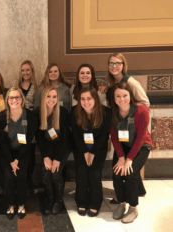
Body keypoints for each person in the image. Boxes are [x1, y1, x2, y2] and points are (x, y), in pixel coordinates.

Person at [104, 53, 149, 198]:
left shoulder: (131, 83)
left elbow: (145, 103)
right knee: (121, 168)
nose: (114, 66)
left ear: (123, 65)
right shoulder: (111, 83)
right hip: (120, 128)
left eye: (118, 63)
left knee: (130, 169)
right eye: (111, 63)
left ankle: (131, 197)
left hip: (133, 130)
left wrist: (129, 111)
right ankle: (139, 190)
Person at [110, 82, 152, 223]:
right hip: (123, 147)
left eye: (125, 95)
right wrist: (121, 157)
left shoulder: (142, 111)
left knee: (131, 173)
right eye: (118, 96)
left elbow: (140, 138)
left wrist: (129, 159)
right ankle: (121, 204)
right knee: (116, 173)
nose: (122, 99)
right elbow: (114, 138)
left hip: (141, 146)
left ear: (130, 96)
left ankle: (133, 208)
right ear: (114, 97)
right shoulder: (113, 112)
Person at [70, 87, 112, 217]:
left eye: (89, 98)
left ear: (95, 99)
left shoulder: (106, 112)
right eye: (82, 99)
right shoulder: (74, 111)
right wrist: (84, 151)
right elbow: (75, 134)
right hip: (80, 148)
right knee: (81, 174)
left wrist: (92, 152)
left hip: (98, 148)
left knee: (94, 175)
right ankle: (81, 201)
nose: (85, 102)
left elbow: (104, 134)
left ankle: (95, 203)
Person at [0, 87, 38, 219]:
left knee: (21, 175)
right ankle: (10, 204)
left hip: (23, 152)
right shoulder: (2, 116)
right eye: (11, 98)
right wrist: (11, 161)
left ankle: (21, 204)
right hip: (7, 154)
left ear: (22, 99)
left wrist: (18, 160)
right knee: (8, 177)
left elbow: (28, 140)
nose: (14, 100)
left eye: (17, 97)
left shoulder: (30, 116)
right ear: (7, 100)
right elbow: (2, 142)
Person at [35, 86, 70, 215]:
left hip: (63, 148)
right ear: (43, 98)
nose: (51, 99)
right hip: (47, 148)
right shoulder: (38, 113)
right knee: (45, 173)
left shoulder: (63, 112)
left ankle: (58, 201)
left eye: (54, 96)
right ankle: (49, 199)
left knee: (56, 173)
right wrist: (45, 156)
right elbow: (39, 138)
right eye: (48, 96)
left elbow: (66, 139)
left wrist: (58, 159)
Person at [10, 60, 37, 193]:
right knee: (18, 149)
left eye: (28, 70)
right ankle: (16, 181)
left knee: (30, 152)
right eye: (23, 70)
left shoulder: (37, 86)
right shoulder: (15, 85)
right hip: (17, 121)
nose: (25, 73)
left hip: (30, 121)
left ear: (32, 71)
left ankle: (28, 182)